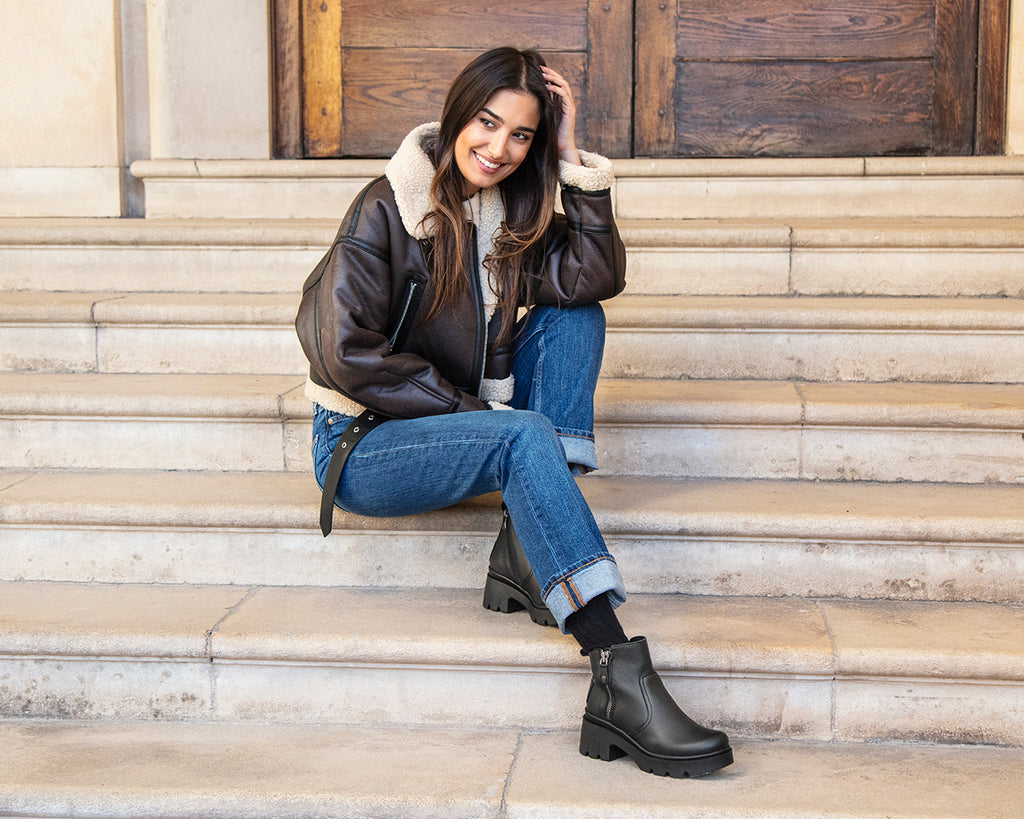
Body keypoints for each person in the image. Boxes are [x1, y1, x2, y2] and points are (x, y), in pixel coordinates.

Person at [295, 46, 733, 779]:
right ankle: (616, 671)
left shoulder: (510, 215)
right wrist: (476, 415)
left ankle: (526, 553)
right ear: (459, 113)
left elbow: (595, 275)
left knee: (577, 317)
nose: (498, 148)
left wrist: (572, 161)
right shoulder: (385, 204)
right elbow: (341, 349)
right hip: (364, 444)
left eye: (522, 135)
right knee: (520, 436)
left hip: (458, 423)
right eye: (487, 124)